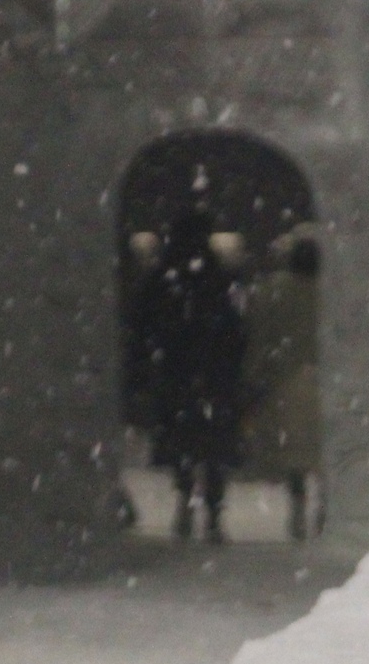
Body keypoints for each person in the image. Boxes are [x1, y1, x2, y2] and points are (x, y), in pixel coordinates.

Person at [128, 211, 245, 543]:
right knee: (212, 444)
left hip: (176, 370)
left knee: (183, 441)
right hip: (212, 372)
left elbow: (142, 324)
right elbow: (233, 328)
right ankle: (212, 511)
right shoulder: (217, 277)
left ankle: (185, 500)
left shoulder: (163, 276)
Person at [240, 232, 323, 541]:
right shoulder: (330, 290)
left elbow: (259, 337)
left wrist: (253, 375)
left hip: (286, 380)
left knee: (295, 453)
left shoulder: (273, 290)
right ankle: (324, 506)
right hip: (324, 379)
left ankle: (298, 506)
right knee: (321, 449)